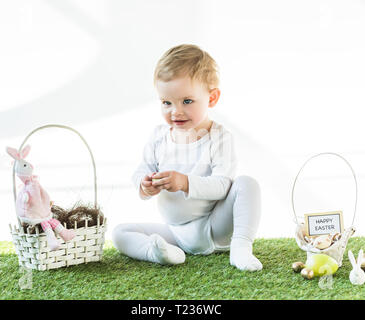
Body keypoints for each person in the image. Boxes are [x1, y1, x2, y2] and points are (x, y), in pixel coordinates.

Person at [112, 44, 262, 271]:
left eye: (187, 101)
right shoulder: (158, 137)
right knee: (120, 232)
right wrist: (144, 185)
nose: (176, 112)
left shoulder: (219, 138)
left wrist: (184, 182)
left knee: (247, 184)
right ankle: (161, 253)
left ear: (212, 98)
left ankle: (240, 248)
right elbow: (142, 170)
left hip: (213, 227)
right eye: (166, 102)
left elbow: (223, 185)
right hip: (175, 231)